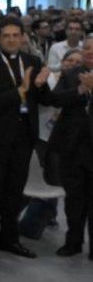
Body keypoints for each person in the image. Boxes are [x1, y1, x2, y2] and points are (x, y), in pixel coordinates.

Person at [0, 16, 49, 259]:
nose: (11, 39)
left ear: (23, 37)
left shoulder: (33, 61)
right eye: (6, 35)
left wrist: (39, 85)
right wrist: (20, 91)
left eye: (16, 35)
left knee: (16, 189)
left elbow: (44, 99)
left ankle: (10, 237)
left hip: (24, 135)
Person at [45, 47, 93, 260]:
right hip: (72, 147)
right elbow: (55, 99)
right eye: (88, 48)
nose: (91, 52)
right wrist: (80, 90)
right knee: (74, 199)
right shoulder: (72, 74)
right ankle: (73, 242)